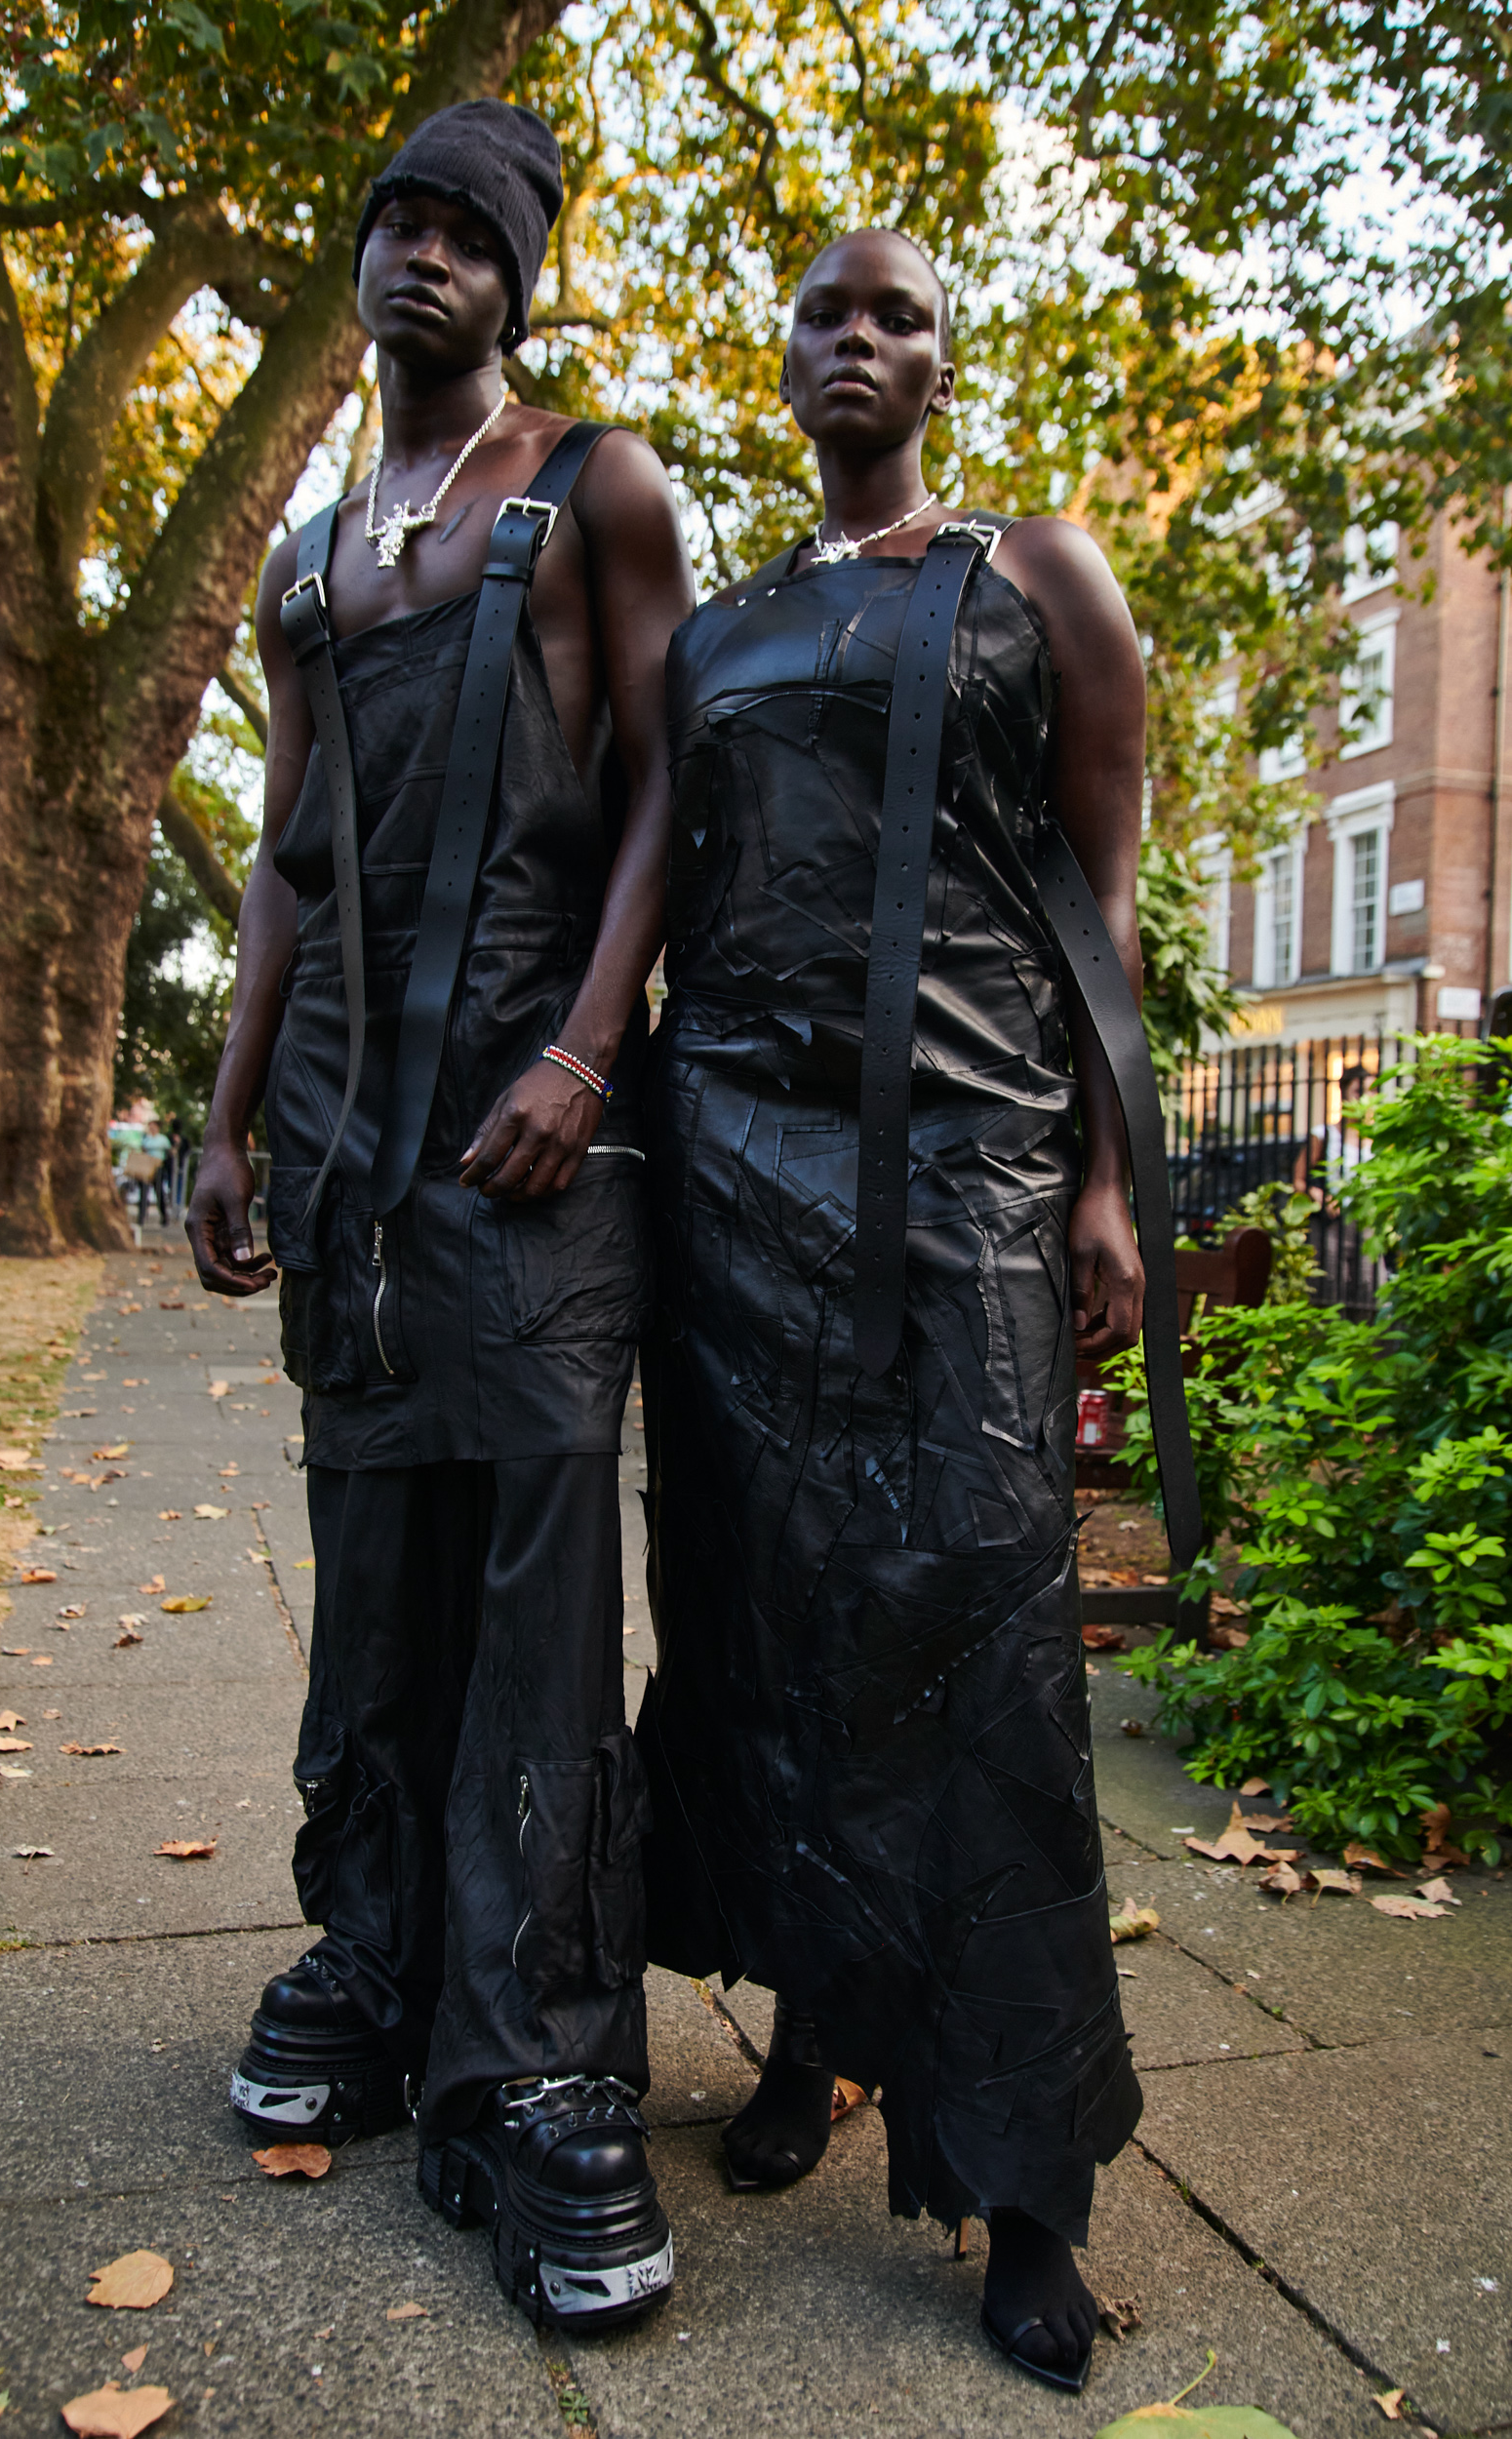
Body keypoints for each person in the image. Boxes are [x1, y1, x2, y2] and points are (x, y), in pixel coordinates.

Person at [185, 99, 695, 2330]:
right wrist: (225, 1118)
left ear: (518, 276)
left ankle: (551, 2064)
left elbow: (683, 771)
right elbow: (292, 850)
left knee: (543, 1590)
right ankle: (379, 1963)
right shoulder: (309, 556)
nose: (420, 258)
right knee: (374, 1579)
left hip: (534, 1140)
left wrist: (594, 1043)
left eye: (463, 234)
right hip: (345, 1151)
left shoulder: (598, 488)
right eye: (392, 222)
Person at [636, 227, 1149, 2393]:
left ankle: (1026, 2176)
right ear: (782, 367)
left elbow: (1105, 876)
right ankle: (818, 2029)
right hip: (733, 1167)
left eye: (899, 314)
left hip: (965, 1164)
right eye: (825, 315)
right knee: (764, 1618)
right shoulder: (725, 628)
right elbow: (670, 868)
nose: (862, 340)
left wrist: (1112, 1177)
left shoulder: (1034, 573)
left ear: (942, 357)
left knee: (988, 1631)